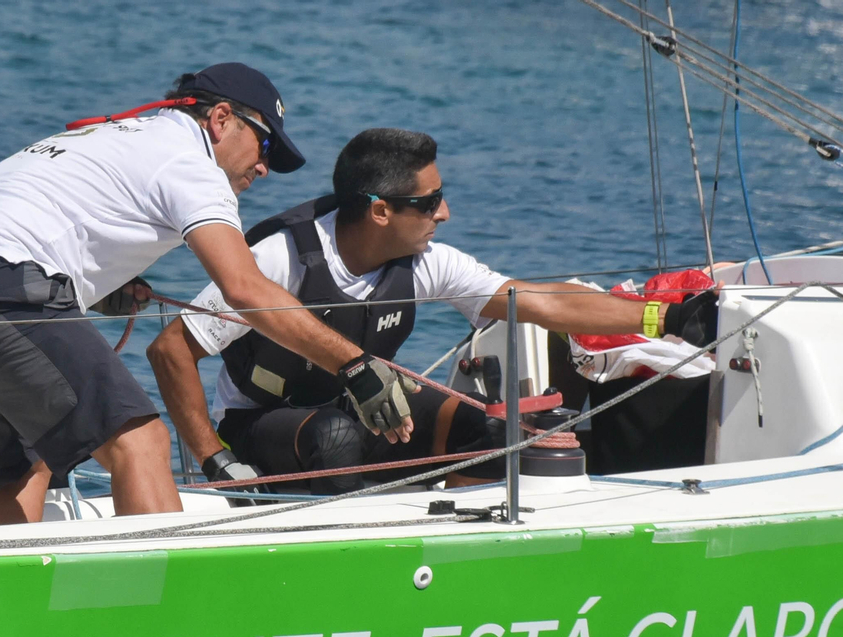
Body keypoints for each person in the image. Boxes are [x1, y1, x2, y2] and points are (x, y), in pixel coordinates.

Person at [0, 63, 421, 526]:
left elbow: (43, 222)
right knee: (140, 441)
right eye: (264, 146)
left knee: (21, 464)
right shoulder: (190, 160)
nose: (263, 168)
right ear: (219, 120)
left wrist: (101, 290)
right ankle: (164, 618)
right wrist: (355, 364)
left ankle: (5, 615)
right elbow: (244, 288)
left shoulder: (113, 136)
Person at [146, 127, 718, 495]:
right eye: (428, 203)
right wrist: (212, 458)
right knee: (338, 438)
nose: (443, 214)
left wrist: (661, 318)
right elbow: (171, 349)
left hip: (371, 405)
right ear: (378, 212)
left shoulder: (424, 260)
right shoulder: (275, 259)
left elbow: (538, 301)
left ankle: (449, 538)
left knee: (497, 433)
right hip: (265, 427)